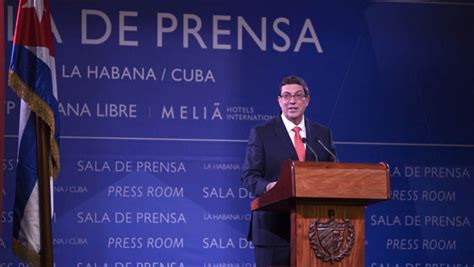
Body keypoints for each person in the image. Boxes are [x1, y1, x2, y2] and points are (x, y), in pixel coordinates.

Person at [241, 75, 337, 267]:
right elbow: (249, 176)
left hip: (316, 230)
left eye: (298, 95)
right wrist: (269, 186)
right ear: (279, 101)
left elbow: (333, 174)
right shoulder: (262, 133)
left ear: (307, 100)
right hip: (273, 230)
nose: (292, 101)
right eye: (286, 96)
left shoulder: (322, 135)